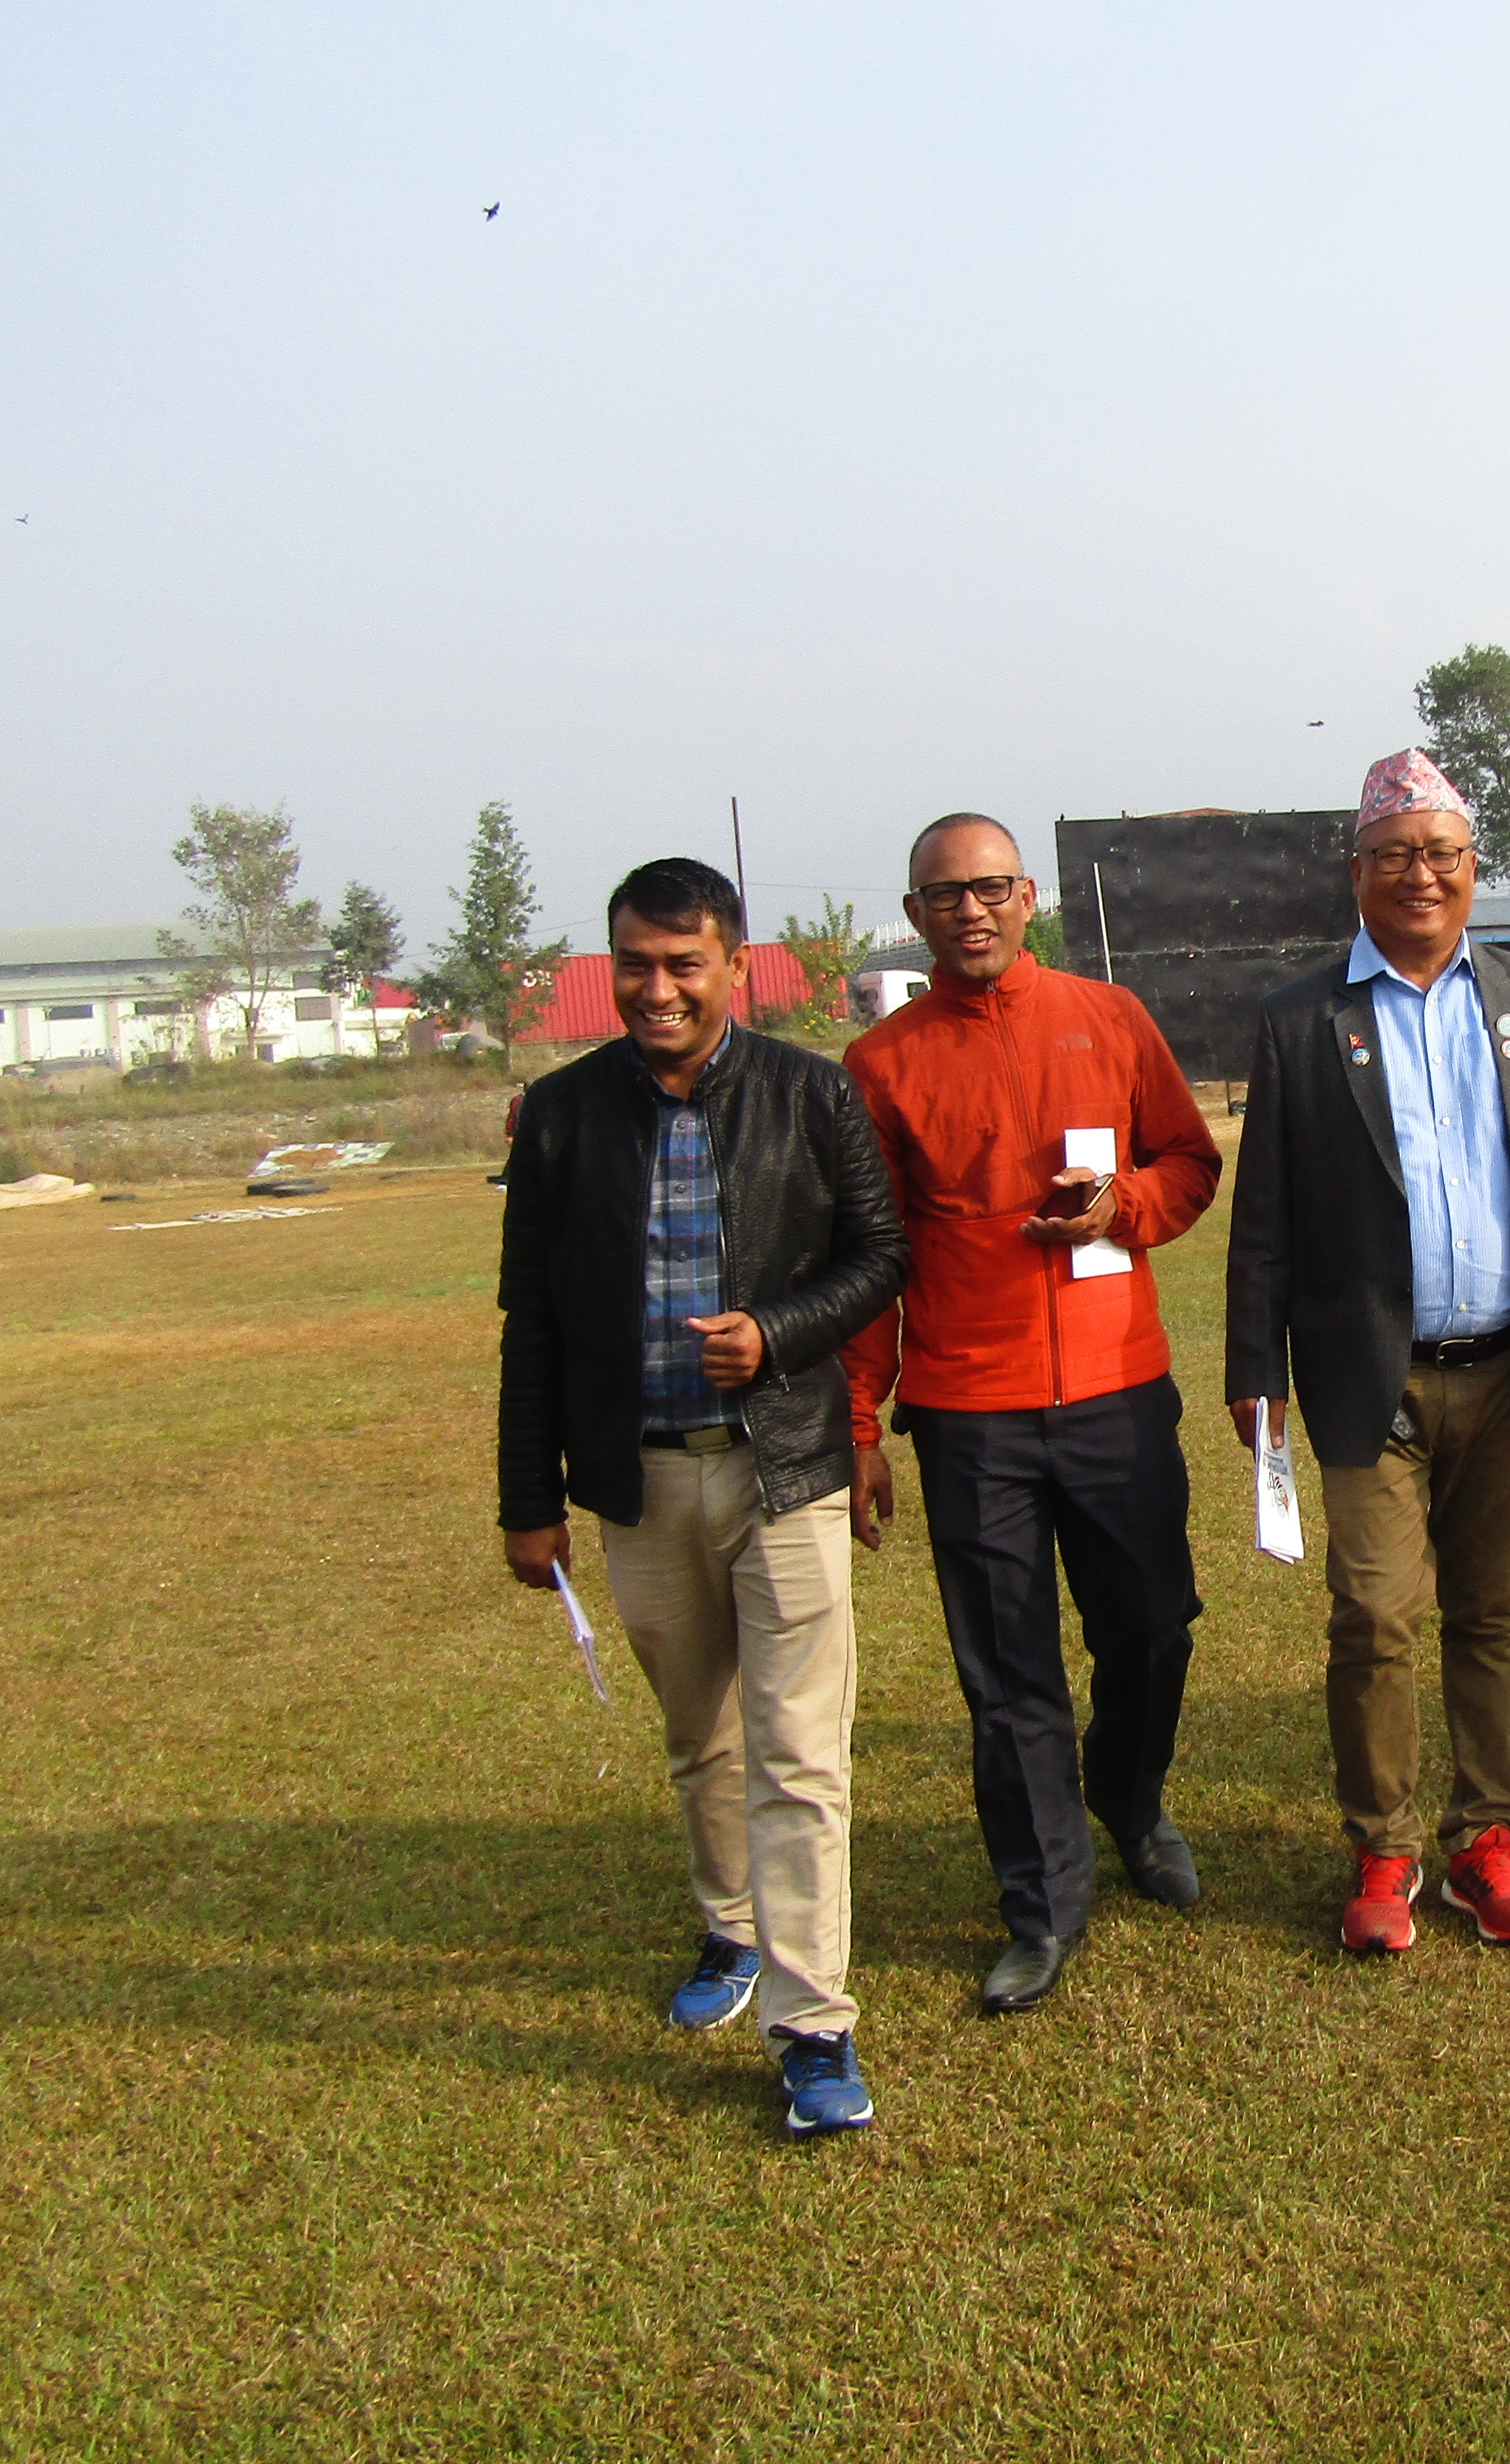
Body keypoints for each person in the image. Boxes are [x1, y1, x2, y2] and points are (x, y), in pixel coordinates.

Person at [1225, 748, 1510, 1954]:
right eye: (1394, 856)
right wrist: (1250, 1371)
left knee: (1489, 1610)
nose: (1420, 876)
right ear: (1358, 874)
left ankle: (1486, 1842)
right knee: (1373, 1614)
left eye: (1443, 854)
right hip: (1365, 1372)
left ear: (1474, 870)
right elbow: (1263, 1213)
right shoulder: (1302, 1020)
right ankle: (1383, 1849)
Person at [497, 858, 910, 2136]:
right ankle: (729, 1929)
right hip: (638, 1480)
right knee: (702, 1738)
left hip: (782, 1467)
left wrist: (779, 1334)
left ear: (737, 964)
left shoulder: (809, 1091)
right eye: (636, 964)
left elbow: (883, 1252)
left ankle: (811, 2026)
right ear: (609, 967)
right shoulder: (561, 1117)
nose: (659, 990)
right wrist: (529, 1498)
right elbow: (534, 1322)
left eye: (685, 965)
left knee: (798, 1752)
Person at [843, 813, 1225, 2018]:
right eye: (945, 895)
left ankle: (1131, 1798)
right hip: (971, 1411)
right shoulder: (883, 1066)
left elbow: (1190, 1164)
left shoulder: (1109, 1020)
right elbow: (870, 1259)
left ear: (1027, 900)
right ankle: (1043, 1905)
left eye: (993, 888)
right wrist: (861, 1421)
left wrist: (1123, 1205)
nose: (972, 911)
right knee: (1007, 1677)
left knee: (1154, 1630)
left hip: (1116, 1390)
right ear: (914, 915)